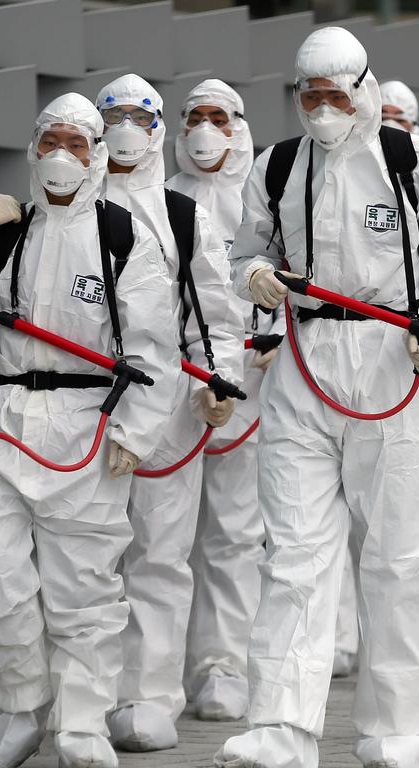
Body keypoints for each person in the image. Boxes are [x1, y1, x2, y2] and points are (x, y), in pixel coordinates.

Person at [215, 27, 419, 768]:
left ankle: (394, 730)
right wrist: (255, 279)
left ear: (364, 88)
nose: (323, 109)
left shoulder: (415, 163)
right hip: (304, 359)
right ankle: (281, 726)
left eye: (336, 94)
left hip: (391, 363)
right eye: (311, 95)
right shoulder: (275, 166)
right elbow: (247, 251)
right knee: (294, 551)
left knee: (396, 559)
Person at [0, 93, 179, 768]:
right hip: (2, 421)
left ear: (96, 157)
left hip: (86, 425)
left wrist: (135, 433)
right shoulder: (10, 232)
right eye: (50, 140)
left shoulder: (123, 237)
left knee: (83, 588)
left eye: (77, 144)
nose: (61, 155)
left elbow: (155, 349)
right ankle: (24, 699)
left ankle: (82, 722)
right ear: (33, 150)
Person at [95, 73, 245, 752]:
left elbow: (214, 310)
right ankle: (83, 691)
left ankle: (150, 695)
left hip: (168, 409)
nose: (127, 127)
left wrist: (222, 380)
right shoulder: (65, 204)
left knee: (159, 552)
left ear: (159, 129)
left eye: (140, 115)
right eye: (114, 115)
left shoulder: (182, 214)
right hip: (81, 405)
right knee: (83, 553)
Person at [165, 78, 271, 722]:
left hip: (253, 382)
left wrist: (273, 339)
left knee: (236, 533)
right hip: (175, 384)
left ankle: (225, 665)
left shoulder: (263, 196)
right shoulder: (162, 197)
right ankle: (156, 674)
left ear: (240, 124)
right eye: (195, 117)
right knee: (159, 537)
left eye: (219, 118)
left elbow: (297, 271)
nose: (207, 130)